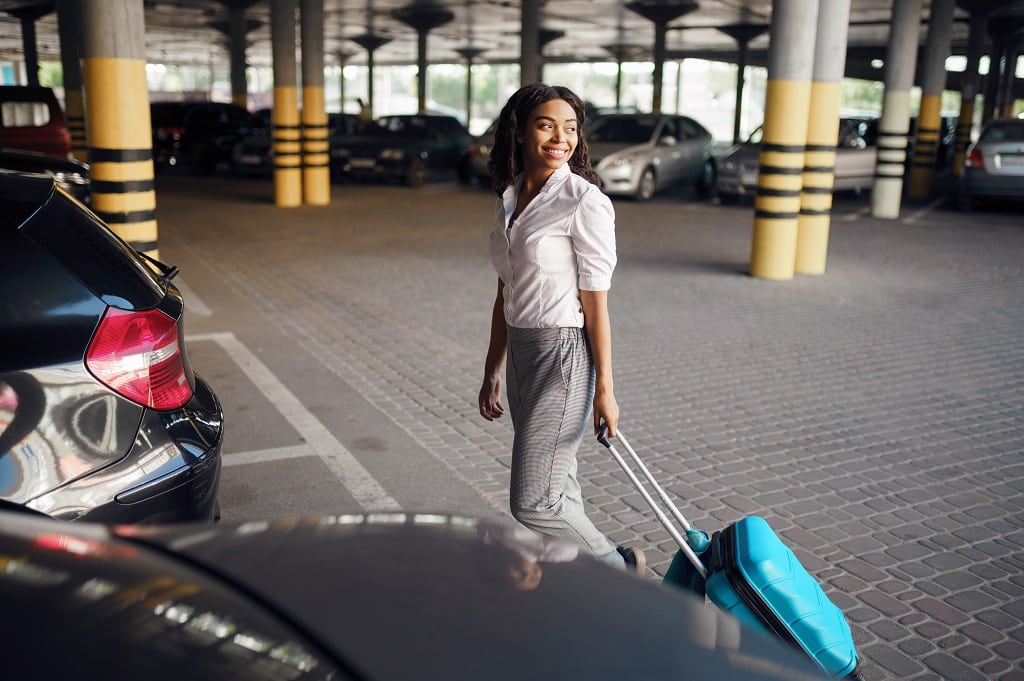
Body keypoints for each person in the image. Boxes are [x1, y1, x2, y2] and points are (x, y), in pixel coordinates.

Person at [477, 83, 645, 574]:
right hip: (523, 358)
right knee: (557, 484)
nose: (561, 137)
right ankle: (582, 584)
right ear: (520, 130)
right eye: (547, 124)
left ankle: (618, 572)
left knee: (533, 501)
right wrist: (491, 371)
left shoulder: (582, 201)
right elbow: (504, 293)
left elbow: (597, 304)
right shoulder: (510, 199)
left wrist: (605, 391)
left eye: (570, 127)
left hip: (565, 358)